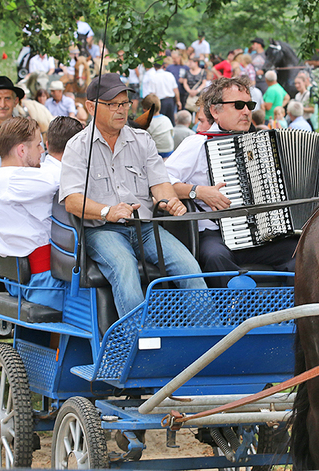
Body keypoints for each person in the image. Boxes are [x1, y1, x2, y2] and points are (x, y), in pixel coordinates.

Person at [59, 73, 207, 317]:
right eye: (112, 104)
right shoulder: (77, 146)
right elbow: (73, 201)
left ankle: (208, 340)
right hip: (102, 230)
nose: (121, 110)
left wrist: (171, 202)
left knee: (190, 267)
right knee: (125, 268)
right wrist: (108, 211)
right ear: (90, 107)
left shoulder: (143, 140)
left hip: (145, 228)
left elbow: (160, 185)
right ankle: (138, 341)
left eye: (125, 103)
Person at [165, 76, 297, 288]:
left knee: (300, 250)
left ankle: (287, 312)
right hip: (214, 232)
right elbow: (161, 183)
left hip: (259, 232)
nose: (246, 111)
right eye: (238, 105)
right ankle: (235, 314)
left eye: (249, 105)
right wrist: (198, 191)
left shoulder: (263, 143)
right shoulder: (198, 143)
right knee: (215, 257)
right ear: (215, 111)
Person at [0, 117, 70, 311]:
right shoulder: (16, 180)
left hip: (16, 279)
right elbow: (61, 178)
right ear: (22, 150)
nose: (42, 151)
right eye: (38, 145)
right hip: (45, 281)